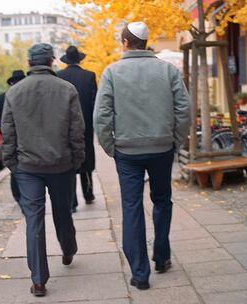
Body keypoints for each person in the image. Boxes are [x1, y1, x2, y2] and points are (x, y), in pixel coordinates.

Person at [94, 22, 190, 290]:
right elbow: (184, 109)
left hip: (127, 151)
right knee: (162, 200)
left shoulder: (112, 72)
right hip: (161, 148)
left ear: (125, 42)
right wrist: (175, 141)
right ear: (145, 43)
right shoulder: (168, 70)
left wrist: (110, 147)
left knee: (132, 207)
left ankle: (139, 273)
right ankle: (161, 256)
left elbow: (101, 115)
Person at [1, 43, 85, 297]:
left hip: (27, 166)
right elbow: (76, 130)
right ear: (51, 61)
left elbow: (8, 132)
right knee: (63, 211)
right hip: (61, 163)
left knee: (34, 220)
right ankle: (68, 248)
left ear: (29, 63)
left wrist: (12, 163)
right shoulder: (67, 89)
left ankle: (38, 279)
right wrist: (77, 159)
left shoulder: (14, 92)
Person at [57, 46, 98, 212]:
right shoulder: (89, 76)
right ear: (79, 59)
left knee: (69, 163)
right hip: (85, 125)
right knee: (86, 160)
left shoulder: (59, 76)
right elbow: (94, 102)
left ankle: (72, 202)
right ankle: (88, 194)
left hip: (65, 126)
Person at [0, 70, 26, 204]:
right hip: (25, 137)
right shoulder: (26, 94)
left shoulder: (2, 97)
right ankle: (22, 195)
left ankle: (18, 196)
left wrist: (5, 135)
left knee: (14, 168)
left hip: (10, 137)